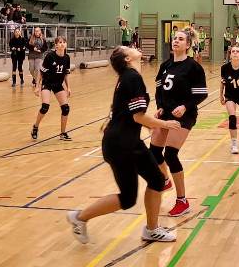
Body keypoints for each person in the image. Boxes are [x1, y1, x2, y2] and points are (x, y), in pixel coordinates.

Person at [66, 46, 180, 244]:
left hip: (127, 142)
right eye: (129, 48)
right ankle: (80, 217)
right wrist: (164, 124)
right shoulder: (132, 78)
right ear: (127, 58)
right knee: (129, 198)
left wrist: (149, 127)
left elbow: (128, 113)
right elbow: (138, 116)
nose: (134, 47)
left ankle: (152, 229)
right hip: (121, 145)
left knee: (156, 180)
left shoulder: (129, 77)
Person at [150, 29, 208, 217]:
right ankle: (165, 180)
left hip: (184, 115)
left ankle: (182, 201)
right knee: (154, 152)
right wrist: (159, 106)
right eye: (175, 38)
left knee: (170, 155)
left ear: (188, 45)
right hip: (165, 113)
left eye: (181, 39)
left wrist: (185, 106)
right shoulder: (165, 65)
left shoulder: (193, 67)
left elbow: (201, 94)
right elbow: (159, 90)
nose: (176, 41)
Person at [32, 35, 72, 141]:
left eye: (64, 42)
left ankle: (63, 133)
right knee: (45, 107)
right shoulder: (50, 56)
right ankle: (35, 127)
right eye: (60, 42)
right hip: (47, 83)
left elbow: (66, 74)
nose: (62, 44)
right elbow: (41, 72)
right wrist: (37, 86)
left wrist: (68, 87)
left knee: (66, 108)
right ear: (56, 45)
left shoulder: (67, 58)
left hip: (58, 84)